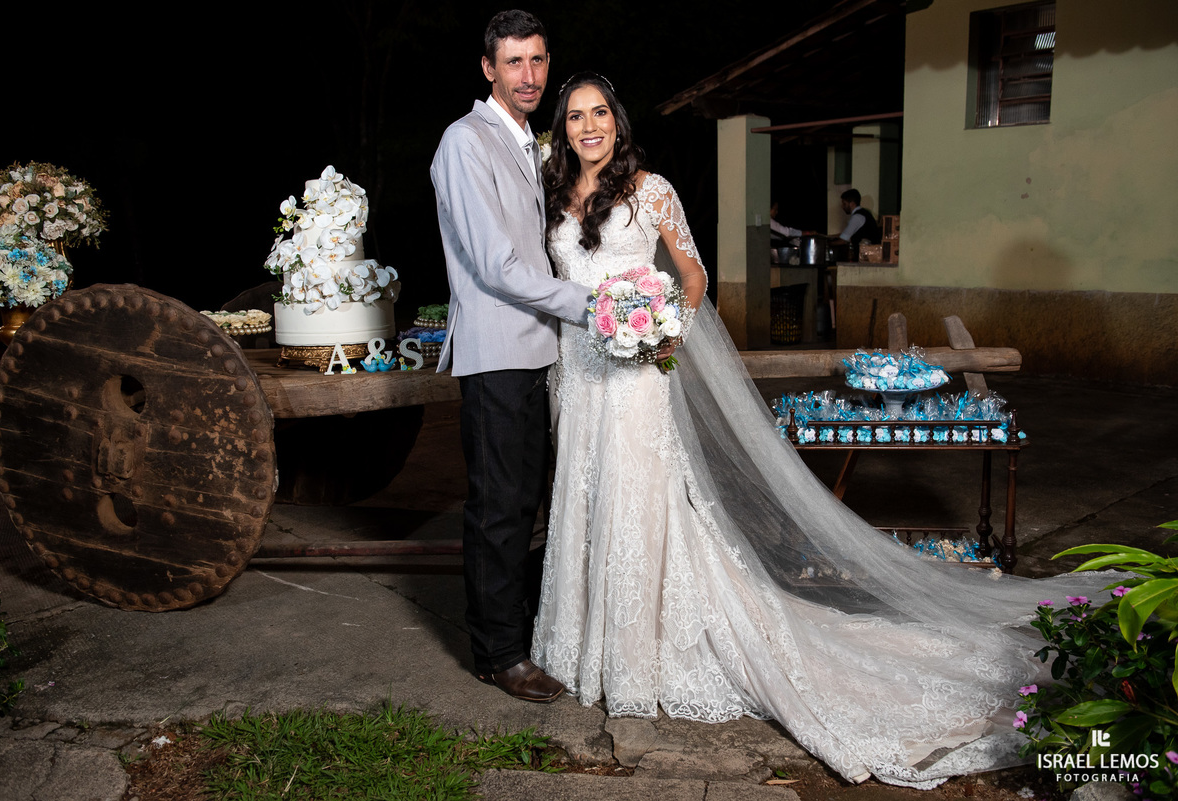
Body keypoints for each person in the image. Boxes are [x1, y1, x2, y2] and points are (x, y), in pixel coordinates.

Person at [530, 72, 1110, 787]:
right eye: (576, 116)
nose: (590, 126)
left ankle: (641, 651)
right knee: (584, 502)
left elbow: (692, 273)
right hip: (579, 379)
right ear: (563, 127)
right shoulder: (553, 194)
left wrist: (664, 333)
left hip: (637, 379)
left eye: (601, 113)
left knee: (637, 506)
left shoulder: (650, 189)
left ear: (618, 121)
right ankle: (584, 643)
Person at [430, 10, 591, 704]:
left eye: (538, 61)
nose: (528, 75)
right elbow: (496, 266)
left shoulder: (530, 143)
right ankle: (498, 653)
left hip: (538, 350)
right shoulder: (465, 143)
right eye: (513, 62)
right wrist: (591, 304)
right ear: (488, 68)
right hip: (497, 351)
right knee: (500, 506)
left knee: (529, 501)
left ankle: (521, 630)